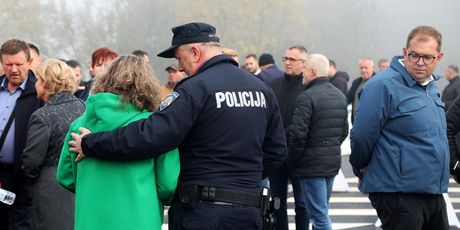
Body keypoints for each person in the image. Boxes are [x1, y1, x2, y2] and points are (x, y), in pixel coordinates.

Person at [68, 22, 286, 230]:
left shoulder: (196, 89)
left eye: (180, 59)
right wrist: (240, 181)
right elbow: (277, 151)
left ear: (195, 52)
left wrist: (92, 143)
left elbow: (151, 136)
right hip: (249, 210)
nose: (180, 67)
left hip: (203, 212)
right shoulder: (261, 89)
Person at [57, 55, 180, 230]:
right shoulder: (153, 127)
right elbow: (168, 185)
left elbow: (65, 177)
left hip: (91, 220)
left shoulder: (79, 125)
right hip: (140, 219)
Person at [350, 25, 449, 230]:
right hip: (399, 195)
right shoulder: (382, 85)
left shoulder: (430, 87)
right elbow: (361, 137)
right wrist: (360, 169)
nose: (420, 62)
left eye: (427, 57)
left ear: (438, 57)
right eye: (414, 55)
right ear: (405, 52)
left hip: (432, 191)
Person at [21, 59, 85, 230]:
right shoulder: (85, 109)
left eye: (38, 80)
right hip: (83, 186)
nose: (35, 84)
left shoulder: (42, 116)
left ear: (47, 83)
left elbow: (31, 162)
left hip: (52, 191)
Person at [289, 54, 348, 230]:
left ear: (313, 72)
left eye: (305, 68)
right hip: (330, 162)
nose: (302, 73)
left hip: (311, 164)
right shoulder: (339, 96)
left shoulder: (306, 97)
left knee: (319, 216)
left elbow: (298, 135)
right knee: (321, 211)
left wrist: (293, 160)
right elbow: (343, 131)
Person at [0, 39, 43, 230]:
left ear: (30, 62)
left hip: (23, 178)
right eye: (9, 64)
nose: (14, 69)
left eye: (19, 64)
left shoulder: (38, 92)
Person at [269, 45, 308, 230]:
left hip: (300, 154)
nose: (287, 63)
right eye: (285, 59)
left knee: (302, 204)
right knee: (277, 202)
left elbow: (305, 123)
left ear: (304, 63)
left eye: (292, 60)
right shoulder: (274, 84)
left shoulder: (308, 86)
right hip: (277, 153)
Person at [347, 58, 375, 124]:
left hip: (371, 123)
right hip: (356, 122)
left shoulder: (378, 81)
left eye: (366, 68)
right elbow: (347, 99)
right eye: (361, 68)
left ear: (372, 68)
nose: (363, 70)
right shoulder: (356, 82)